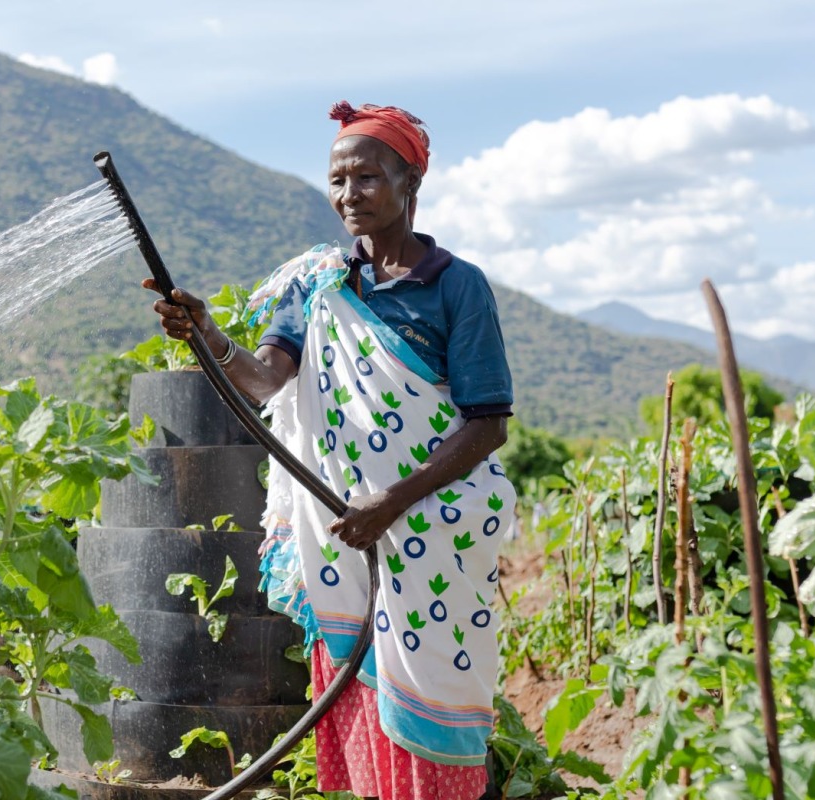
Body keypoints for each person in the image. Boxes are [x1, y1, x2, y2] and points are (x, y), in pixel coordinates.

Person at [147, 101, 515, 800]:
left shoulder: (456, 286)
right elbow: (264, 380)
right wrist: (206, 335)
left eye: (368, 177)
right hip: (350, 539)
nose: (350, 195)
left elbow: (488, 422)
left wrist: (390, 502)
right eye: (338, 180)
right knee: (358, 696)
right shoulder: (316, 285)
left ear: (411, 183)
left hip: (430, 530)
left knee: (434, 695)